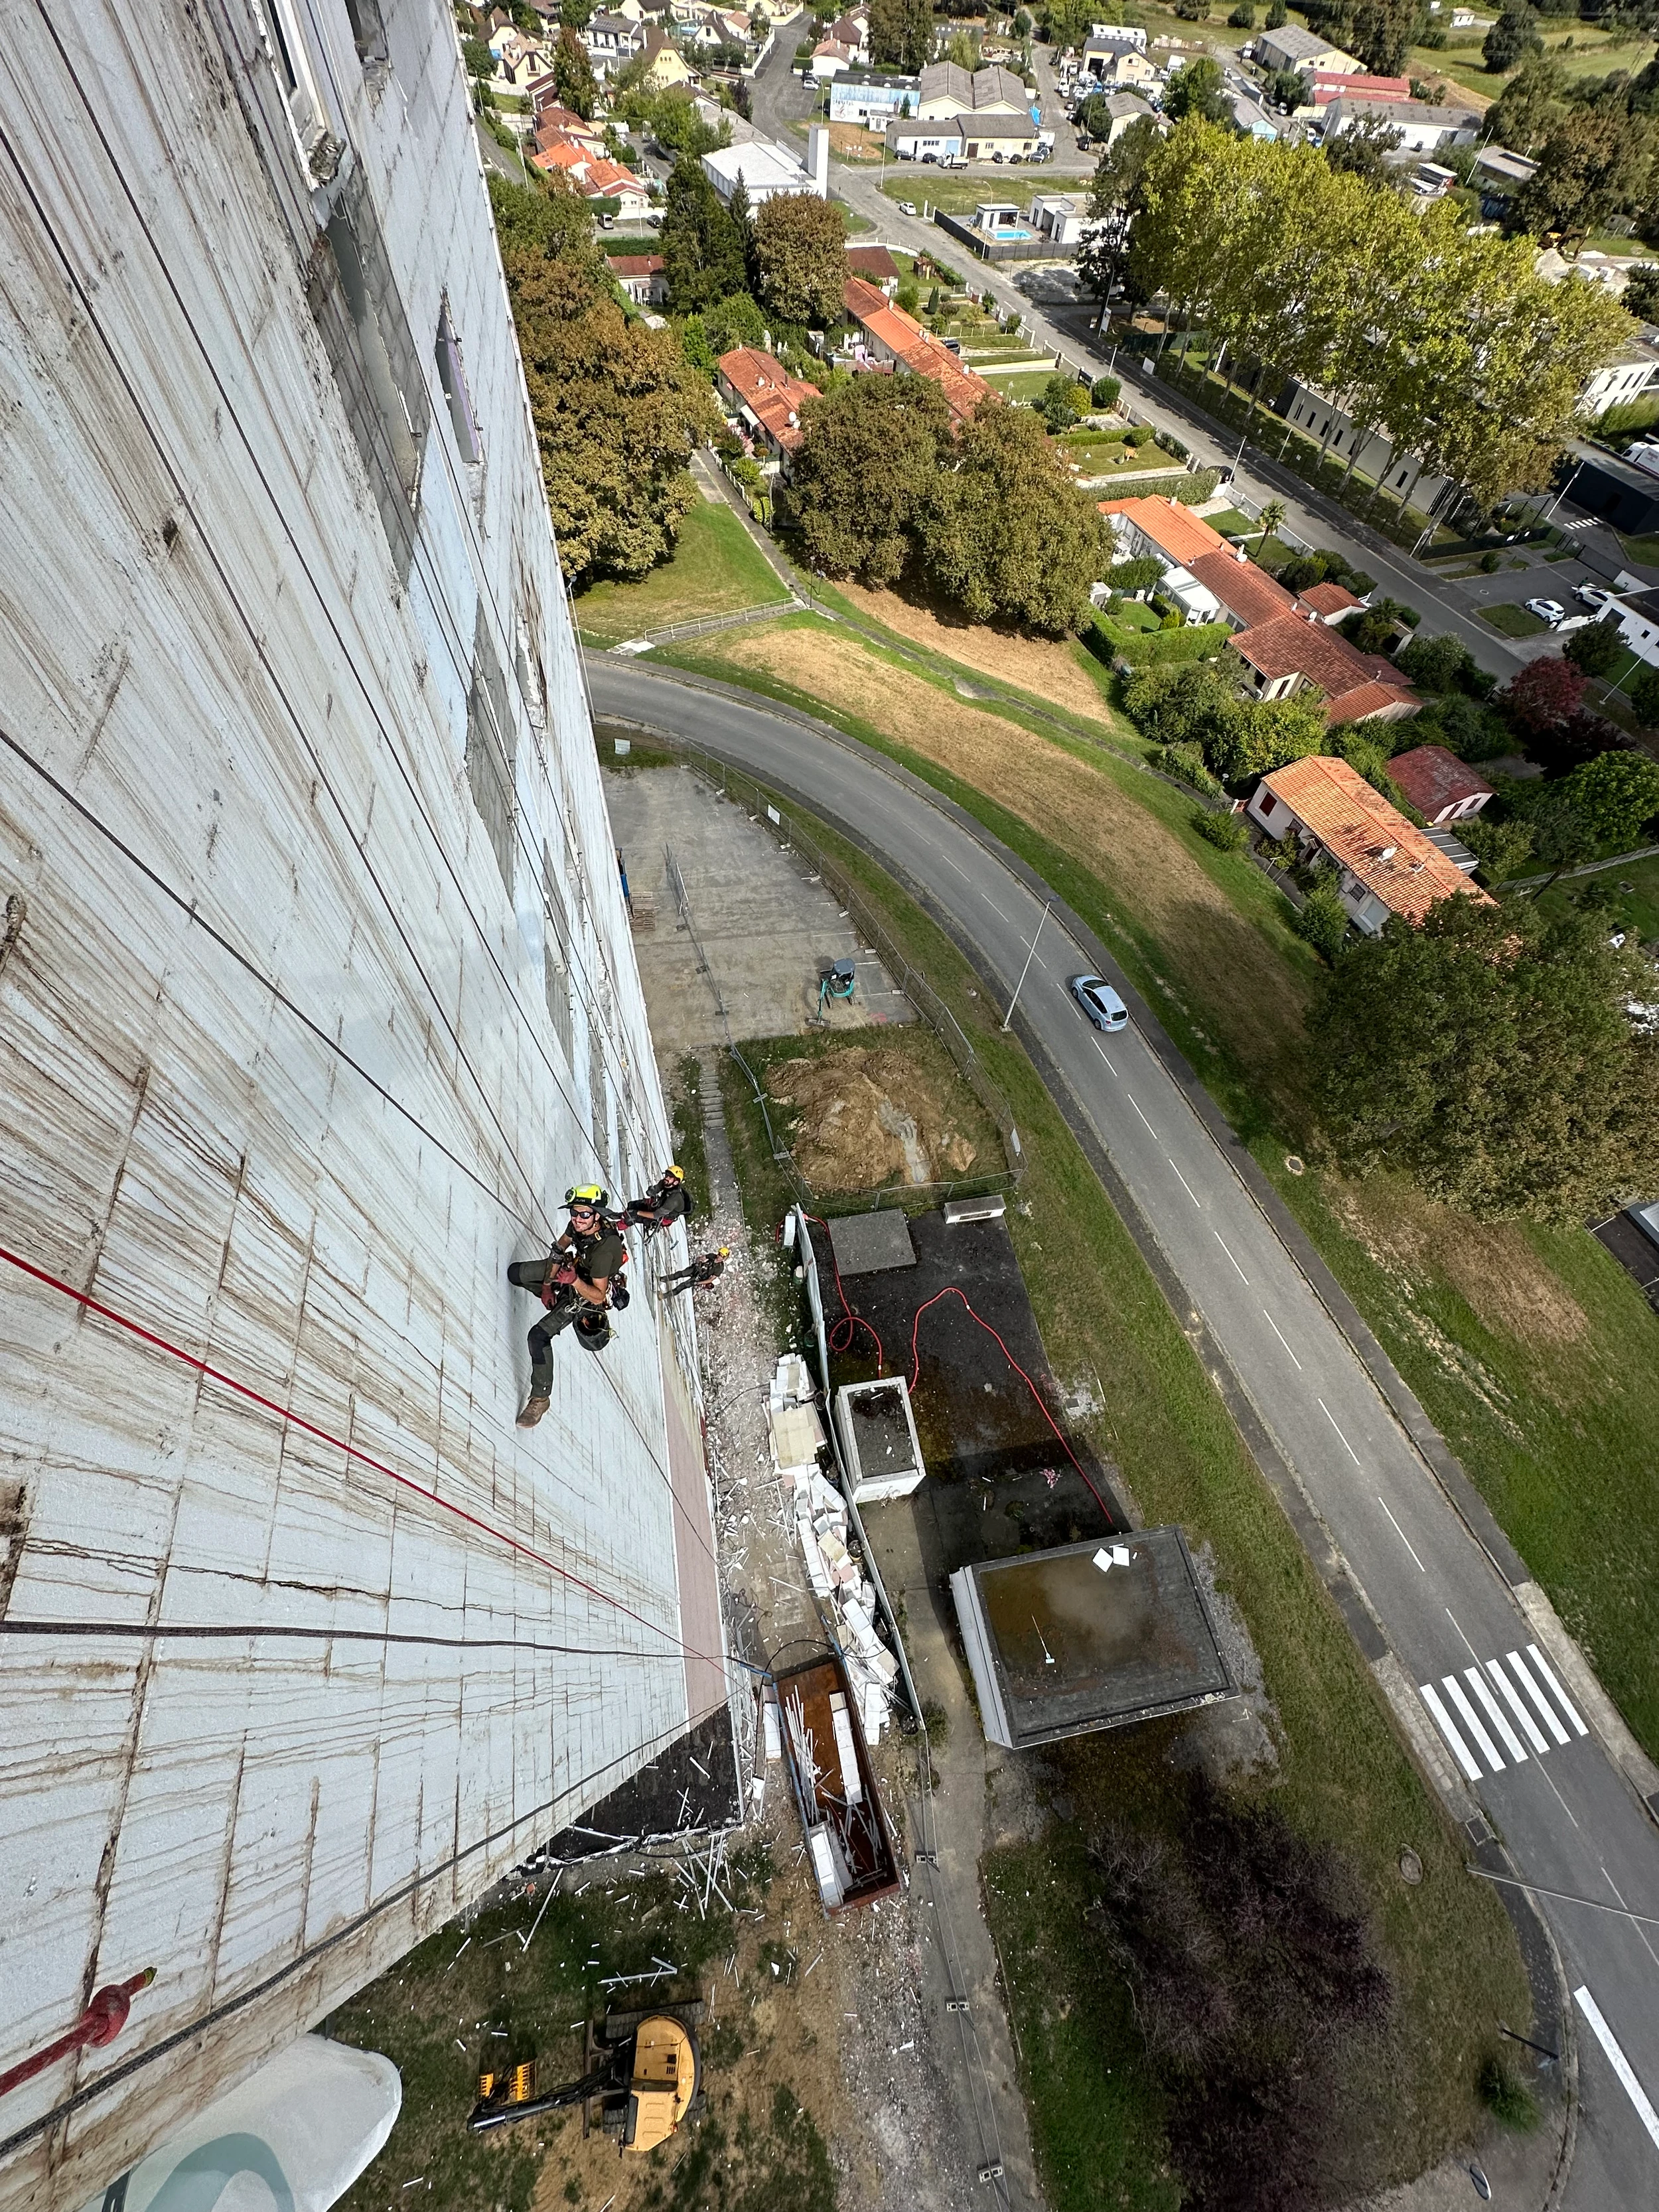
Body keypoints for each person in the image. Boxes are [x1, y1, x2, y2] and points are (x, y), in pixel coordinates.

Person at [508, 1186, 626, 1424]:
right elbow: (559, 1249)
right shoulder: (580, 1225)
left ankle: (540, 1398)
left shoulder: (604, 1249)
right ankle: (557, 1296)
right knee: (516, 1274)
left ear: (597, 1216)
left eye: (584, 1214)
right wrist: (548, 1286)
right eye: (574, 1212)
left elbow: (597, 1295)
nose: (577, 1218)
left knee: (537, 1337)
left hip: (584, 1291)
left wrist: (572, 1281)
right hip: (572, 1272)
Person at [623, 1163, 690, 1236]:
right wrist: (652, 1191)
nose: (667, 1178)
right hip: (659, 1205)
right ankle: (622, 1216)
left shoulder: (674, 1199)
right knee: (632, 1205)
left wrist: (637, 1213)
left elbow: (656, 1215)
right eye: (667, 1175)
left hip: (664, 1217)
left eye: (670, 1177)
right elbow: (656, 1189)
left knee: (632, 1218)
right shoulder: (665, 1183)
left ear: (676, 1182)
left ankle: (618, 1227)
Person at [661, 1246, 729, 1297]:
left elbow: (710, 1280)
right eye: (719, 1254)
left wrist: (698, 1283)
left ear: (724, 1258)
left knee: (682, 1286)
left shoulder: (720, 1268)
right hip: (696, 1269)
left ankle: (664, 1296)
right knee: (679, 1274)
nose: (719, 1256)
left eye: (721, 1256)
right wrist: (698, 1263)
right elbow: (700, 1258)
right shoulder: (712, 1256)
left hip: (700, 1278)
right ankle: (662, 1279)